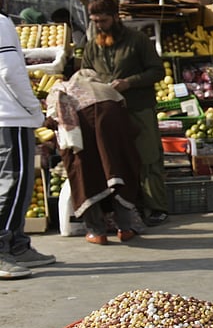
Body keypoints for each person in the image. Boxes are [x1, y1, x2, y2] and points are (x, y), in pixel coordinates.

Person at [78, 0, 169, 225]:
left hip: (139, 108)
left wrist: (130, 82)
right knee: (116, 161)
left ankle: (157, 207)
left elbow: (158, 72)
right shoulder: (92, 46)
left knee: (148, 158)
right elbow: (84, 75)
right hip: (108, 113)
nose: (99, 25)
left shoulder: (137, 40)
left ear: (116, 17)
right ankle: (127, 208)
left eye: (103, 20)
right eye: (95, 21)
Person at [45, 70, 143, 244]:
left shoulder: (63, 89)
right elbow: (129, 124)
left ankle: (97, 232)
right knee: (118, 173)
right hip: (114, 138)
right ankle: (125, 229)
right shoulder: (108, 90)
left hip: (82, 138)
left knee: (86, 177)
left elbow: (51, 120)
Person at [0, 13, 57, 278]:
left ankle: (18, 245)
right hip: (10, 117)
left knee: (8, 182)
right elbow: (10, 70)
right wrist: (35, 110)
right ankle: (3, 250)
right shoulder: (1, 23)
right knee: (16, 181)